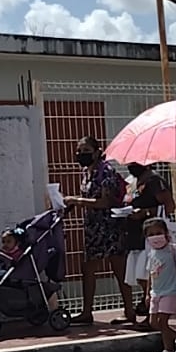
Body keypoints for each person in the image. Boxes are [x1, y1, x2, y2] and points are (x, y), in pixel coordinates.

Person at [63, 136, 132, 326]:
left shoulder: (106, 172)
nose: (81, 154)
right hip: (94, 227)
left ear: (97, 151)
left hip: (110, 226)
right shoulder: (86, 172)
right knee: (87, 268)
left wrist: (77, 201)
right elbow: (89, 197)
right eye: (79, 151)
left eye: (86, 150)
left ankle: (129, 311)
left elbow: (105, 201)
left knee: (118, 268)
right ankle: (87, 312)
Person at [120, 162, 176, 323]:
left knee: (148, 275)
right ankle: (149, 312)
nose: (131, 164)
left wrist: (145, 212)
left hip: (150, 238)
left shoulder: (155, 181)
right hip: (135, 235)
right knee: (139, 275)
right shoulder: (132, 181)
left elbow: (169, 206)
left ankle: (154, 315)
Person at [141, 217, 176, 352]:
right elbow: (150, 274)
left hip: (171, 291)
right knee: (154, 323)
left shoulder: (173, 250)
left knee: (162, 322)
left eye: (158, 232)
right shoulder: (151, 253)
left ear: (165, 233)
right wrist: (147, 293)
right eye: (151, 234)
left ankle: (168, 351)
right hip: (156, 293)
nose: (155, 236)